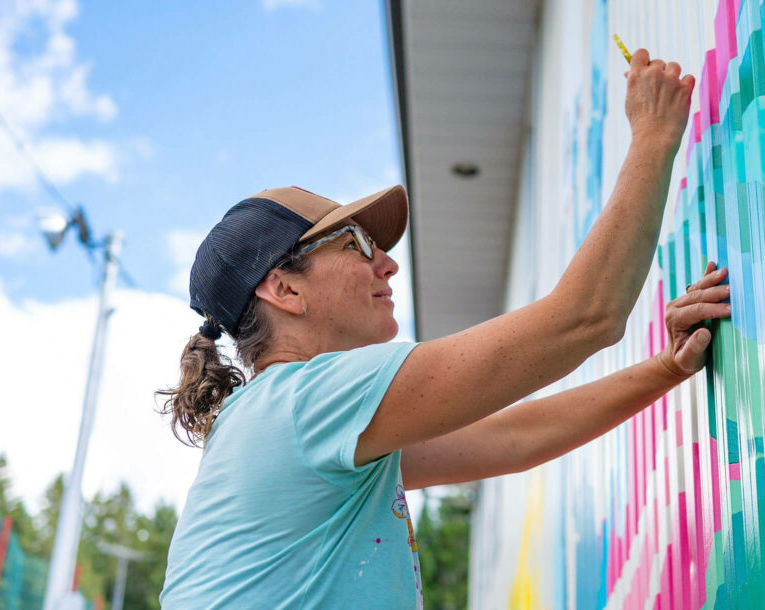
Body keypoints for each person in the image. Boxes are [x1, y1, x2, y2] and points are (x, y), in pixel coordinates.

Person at [157, 49, 730, 609]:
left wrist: (667, 368)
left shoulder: (298, 424)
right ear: (285, 289)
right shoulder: (306, 402)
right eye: (357, 245)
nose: (387, 263)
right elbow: (587, 316)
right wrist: (653, 137)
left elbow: (515, 438)